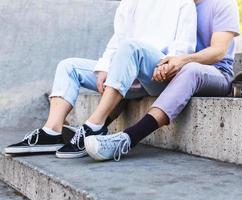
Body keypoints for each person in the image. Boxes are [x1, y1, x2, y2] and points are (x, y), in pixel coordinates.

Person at [5, 0, 197, 158]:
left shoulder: (183, 4)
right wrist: (104, 68)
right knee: (68, 66)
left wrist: (165, 68)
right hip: (125, 74)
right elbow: (117, 40)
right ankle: (52, 132)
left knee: (131, 47)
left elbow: (183, 49)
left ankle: (95, 126)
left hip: (156, 74)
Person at [84, 0, 240, 161]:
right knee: (130, 68)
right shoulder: (179, 5)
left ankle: (127, 139)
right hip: (181, 70)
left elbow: (218, 52)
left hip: (218, 73)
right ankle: (94, 129)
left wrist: (181, 60)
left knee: (190, 70)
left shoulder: (223, 3)